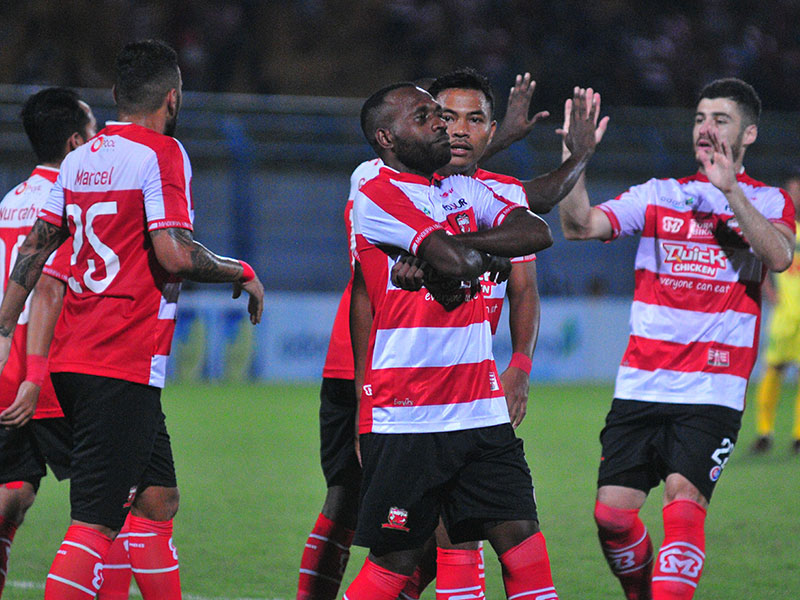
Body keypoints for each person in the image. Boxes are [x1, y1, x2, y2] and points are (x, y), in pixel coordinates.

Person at [0, 39, 264, 600]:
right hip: (118, 361)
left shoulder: (78, 160)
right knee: (95, 524)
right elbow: (174, 253)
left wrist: (3, 328)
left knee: (156, 500)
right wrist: (240, 270)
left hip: (79, 360)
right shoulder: (161, 153)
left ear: (117, 94)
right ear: (173, 98)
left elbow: (36, 250)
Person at [557, 79, 794, 600]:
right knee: (611, 516)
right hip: (642, 382)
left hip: (712, 387)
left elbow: (779, 256)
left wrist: (730, 190)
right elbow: (579, 225)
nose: (705, 128)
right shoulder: (659, 194)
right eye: (699, 118)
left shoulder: (766, 199)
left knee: (684, 500)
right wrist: (575, 161)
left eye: (720, 119)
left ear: (749, 133)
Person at [342, 81, 557, 600]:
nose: (442, 123)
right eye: (425, 117)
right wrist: (471, 253)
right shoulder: (378, 191)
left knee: (524, 544)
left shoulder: (460, 189)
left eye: (439, 114)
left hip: (480, 409)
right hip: (410, 411)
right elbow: (460, 263)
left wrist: (450, 248)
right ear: (387, 138)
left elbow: (536, 232)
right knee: (395, 564)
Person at [751, 170, 800, 454]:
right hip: (784, 315)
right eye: (793, 190)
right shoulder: (780, 228)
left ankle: (798, 436)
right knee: (774, 369)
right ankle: (764, 432)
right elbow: (761, 258)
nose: (796, 196)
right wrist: (769, 291)